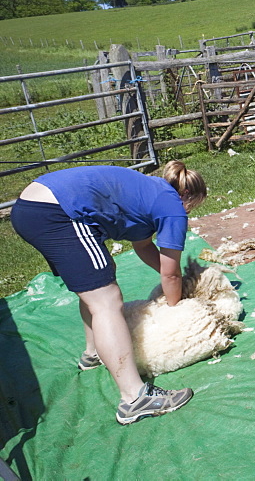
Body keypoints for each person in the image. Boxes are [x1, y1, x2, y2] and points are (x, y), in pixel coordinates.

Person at [10, 161, 208, 425]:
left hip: (33, 207)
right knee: (106, 299)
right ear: (186, 196)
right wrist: (177, 307)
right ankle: (135, 398)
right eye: (193, 206)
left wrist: (171, 279)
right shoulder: (173, 206)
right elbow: (170, 274)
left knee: (98, 280)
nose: (189, 211)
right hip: (57, 212)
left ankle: (94, 353)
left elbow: (144, 247)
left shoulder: (152, 190)